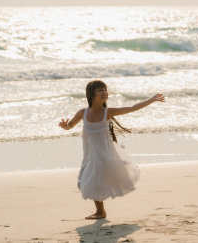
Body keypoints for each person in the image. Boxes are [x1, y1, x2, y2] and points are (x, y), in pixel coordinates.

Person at [58, 80, 165, 219]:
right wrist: (65, 125)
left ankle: (100, 212)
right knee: (91, 180)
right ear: (90, 94)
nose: (104, 92)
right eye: (100, 90)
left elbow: (132, 107)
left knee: (95, 179)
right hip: (91, 154)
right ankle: (100, 211)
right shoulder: (82, 113)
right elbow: (70, 126)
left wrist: (152, 99)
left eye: (105, 90)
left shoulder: (107, 112)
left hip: (105, 153)